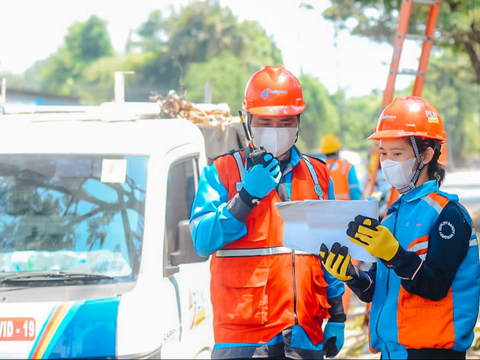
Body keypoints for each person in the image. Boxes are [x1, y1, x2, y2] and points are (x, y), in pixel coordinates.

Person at [189, 65, 346, 359]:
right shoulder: (221, 171)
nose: (275, 131)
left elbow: (330, 250)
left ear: (298, 123)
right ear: (247, 121)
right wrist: (245, 197)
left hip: (304, 333)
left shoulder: (318, 176)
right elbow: (202, 240)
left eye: (285, 122)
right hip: (243, 337)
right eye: (265, 122)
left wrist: (337, 313)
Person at [319, 96, 480, 359]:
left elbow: (435, 287)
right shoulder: (393, 215)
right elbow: (379, 289)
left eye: (397, 154)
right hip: (393, 351)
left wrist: (396, 256)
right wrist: (351, 275)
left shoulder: (447, 215)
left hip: (432, 352)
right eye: (383, 153)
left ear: (427, 155)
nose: (387, 162)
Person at [320, 134, 362, 200]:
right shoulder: (347, 167)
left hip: (327, 209)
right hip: (346, 209)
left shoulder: (319, 168)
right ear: (338, 149)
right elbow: (354, 191)